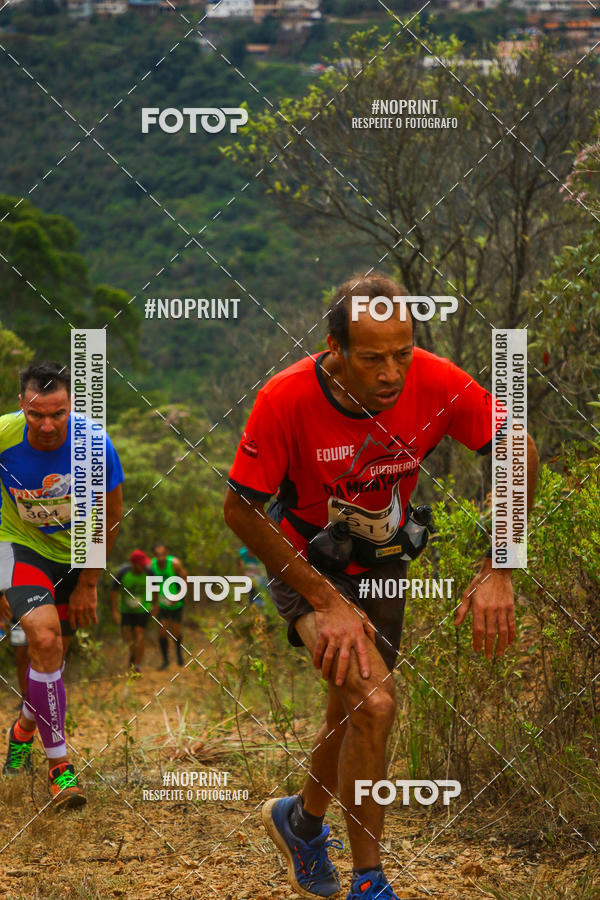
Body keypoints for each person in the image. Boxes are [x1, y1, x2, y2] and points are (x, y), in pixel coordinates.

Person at [224, 273, 539, 900]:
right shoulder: (285, 398)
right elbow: (241, 511)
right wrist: (323, 600)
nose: (392, 371)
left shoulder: (437, 381)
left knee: (352, 712)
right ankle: (371, 883)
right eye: (373, 358)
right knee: (375, 706)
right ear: (335, 347)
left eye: (403, 352)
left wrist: (500, 566)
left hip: (382, 557)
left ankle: (300, 821)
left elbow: (519, 452)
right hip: (303, 557)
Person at [0, 361, 123, 808]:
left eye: (58, 413)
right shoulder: (4, 436)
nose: (48, 425)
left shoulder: (93, 443)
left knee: (51, 659)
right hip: (20, 548)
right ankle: (60, 769)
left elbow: (110, 515)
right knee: (44, 638)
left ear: (71, 405)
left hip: (76, 557)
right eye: (36, 414)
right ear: (21, 406)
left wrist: (90, 580)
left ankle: (23, 730)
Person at [110, 550, 153, 673]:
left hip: (142, 609)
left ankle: (137, 666)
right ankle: (133, 658)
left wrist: (155, 605)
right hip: (126, 610)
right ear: (134, 564)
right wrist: (114, 611)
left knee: (139, 635)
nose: (144, 566)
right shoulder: (123, 573)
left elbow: (155, 588)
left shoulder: (149, 573)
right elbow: (114, 591)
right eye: (142, 564)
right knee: (129, 640)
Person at [149, 543, 188, 670]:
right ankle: (165, 661)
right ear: (154, 556)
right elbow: (150, 584)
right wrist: (153, 603)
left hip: (176, 603)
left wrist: (178, 595)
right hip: (161, 604)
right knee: (162, 632)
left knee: (175, 632)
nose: (160, 558)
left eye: (163, 555)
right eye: (157, 555)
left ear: (167, 554)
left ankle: (179, 655)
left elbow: (185, 579)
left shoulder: (175, 563)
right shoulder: (151, 566)